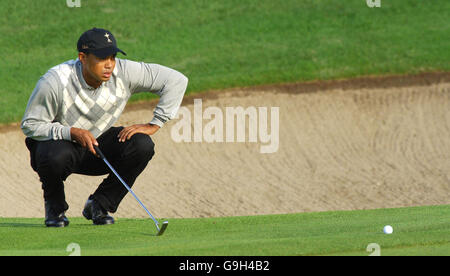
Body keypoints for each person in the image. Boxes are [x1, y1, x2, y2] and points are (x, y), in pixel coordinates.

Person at [21, 27, 188, 227]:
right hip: (61, 147)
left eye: (112, 57)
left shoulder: (124, 72)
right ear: (82, 57)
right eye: (101, 58)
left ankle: (99, 204)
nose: (109, 65)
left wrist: (155, 123)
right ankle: (55, 209)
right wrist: (71, 131)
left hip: (97, 145)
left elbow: (176, 80)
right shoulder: (55, 81)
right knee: (52, 155)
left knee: (142, 145)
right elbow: (30, 125)